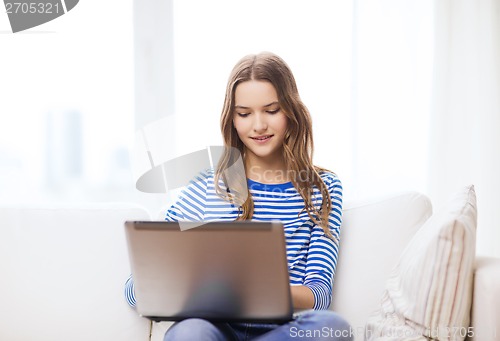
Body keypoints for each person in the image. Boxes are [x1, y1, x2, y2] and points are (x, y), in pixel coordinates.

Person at [125, 52, 352, 340]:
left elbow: (318, 294)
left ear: (291, 111)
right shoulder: (204, 186)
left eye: (271, 110)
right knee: (190, 332)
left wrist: (252, 288)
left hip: (282, 331)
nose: (258, 125)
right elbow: (136, 289)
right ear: (232, 119)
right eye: (244, 114)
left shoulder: (323, 188)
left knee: (331, 328)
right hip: (212, 328)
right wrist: (194, 288)